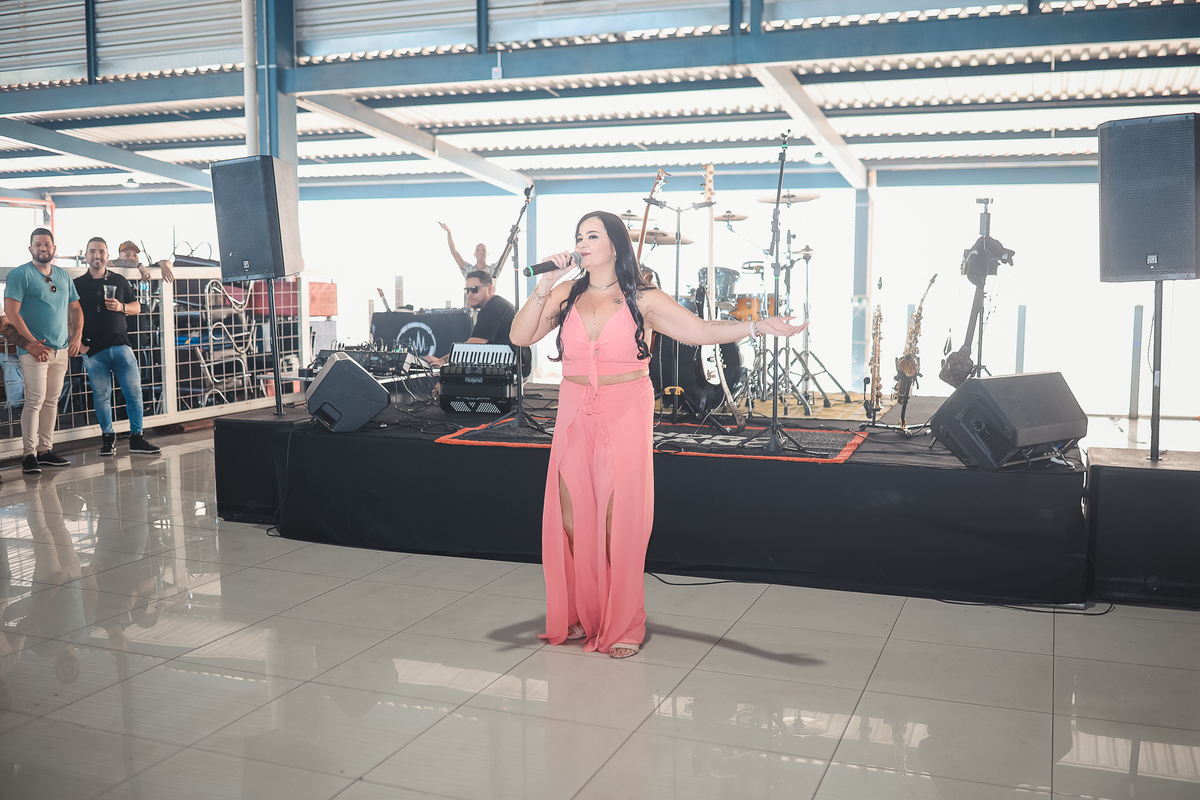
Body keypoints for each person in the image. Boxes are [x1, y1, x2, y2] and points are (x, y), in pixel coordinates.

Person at [509, 211, 805, 658]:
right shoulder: (566, 293)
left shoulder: (641, 297)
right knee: (571, 520)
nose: (582, 243)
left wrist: (757, 326)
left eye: (592, 236)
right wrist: (544, 285)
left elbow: (699, 331)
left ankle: (623, 624)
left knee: (617, 522)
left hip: (623, 410)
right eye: (579, 236)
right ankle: (579, 613)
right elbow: (519, 336)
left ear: (615, 245)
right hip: (574, 411)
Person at [2, 229, 83, 475]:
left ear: (54, 248)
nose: (42, 248)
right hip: (33, 349)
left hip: (60, 349)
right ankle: (29, 455)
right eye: (37, 244)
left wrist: (76, 336)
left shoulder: (63, 275)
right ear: (30, 249)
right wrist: (30, 343)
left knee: (51, 400)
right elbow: (11, 312)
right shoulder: (20, 274)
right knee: (35, 400)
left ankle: (45, 450)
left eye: (47, 244)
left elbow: (76, 308)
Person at [74, 237, 160, 457]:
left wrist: (121, 306)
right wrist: (81, 346)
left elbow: (137, 307)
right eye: (93, 251)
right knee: (102, 397)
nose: (97, 255)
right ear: (86, 255)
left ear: (107, 255)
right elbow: (69, 315)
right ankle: (108, 439)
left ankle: (137, 438)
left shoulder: (119, 280)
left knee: (134, 394)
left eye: (101, 251)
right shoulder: (78, 284)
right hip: (93, 351)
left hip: (121, 346)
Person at [424, 271, 531, 372]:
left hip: (509, 366)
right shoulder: (497, 304)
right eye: (467, 290)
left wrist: (442, 361)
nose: (470, 294)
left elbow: (474, 344)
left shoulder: (493, 308)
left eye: (474, 289)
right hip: (511, 363)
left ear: (489, 289)